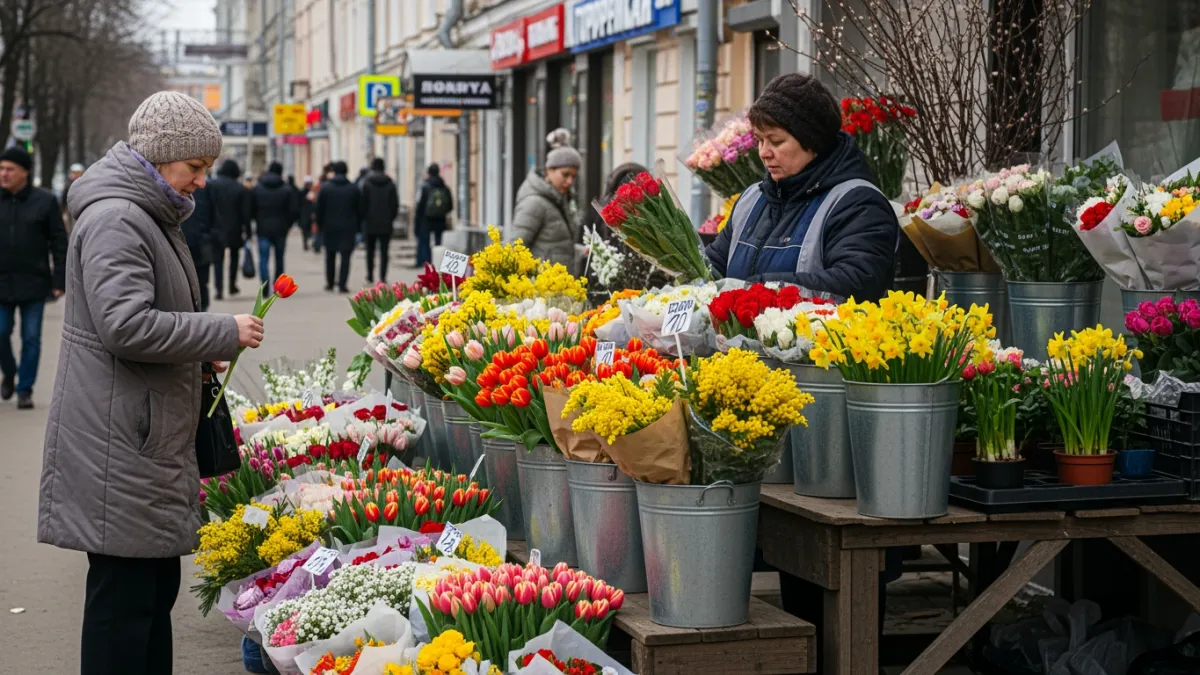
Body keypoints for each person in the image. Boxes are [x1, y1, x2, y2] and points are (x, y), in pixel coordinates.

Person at [38, 91, 265, 675]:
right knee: (124, 602)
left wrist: (198, 356)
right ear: (162, 158)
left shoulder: (144, 212)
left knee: (149, 594)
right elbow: (126, 325)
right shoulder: (119, 217)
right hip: (122, 439)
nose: (201, 182)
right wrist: (220, 333)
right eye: (195, 168)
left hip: (137, 432)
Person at [704, 73, 897, 301]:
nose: (764, 152)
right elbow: (712, 268)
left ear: (812, 142)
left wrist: (757, 291)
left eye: (776, 141)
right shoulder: (751, 199)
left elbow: (856, 282)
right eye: (759, 140)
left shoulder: (858, 203)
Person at [0, 146, 67, 410]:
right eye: (1, 169)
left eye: (10, 169)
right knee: (1, 332)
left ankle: (25, 388)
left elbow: (59, 243)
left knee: (31, 338)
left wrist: (59, 281)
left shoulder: (45, 201)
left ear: (25, 172)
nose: (4, 174)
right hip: (1, 282)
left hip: (35, 282)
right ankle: (10, 371)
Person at [511, 128, 582, 274]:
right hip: (541, 290)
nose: (569, 181)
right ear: (549, 170)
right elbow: (515, 248)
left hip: (557, 288)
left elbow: (554, 244)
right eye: (565, 174)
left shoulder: (560, 200)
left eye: (573, 177)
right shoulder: (534, 204)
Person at [314, 160, 362, 292]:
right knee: (346, 256)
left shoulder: (325, 187)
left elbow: (319, 209)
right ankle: (342, 284)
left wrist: (319, 225)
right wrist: (357, 227)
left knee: (330, 255)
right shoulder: (353, 188)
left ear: (333, 172)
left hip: (329, 227)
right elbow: (360, 210)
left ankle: (330, 282)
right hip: (348, 227)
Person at [208, 158, 251, 299]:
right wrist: (248, 232)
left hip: (215, 228)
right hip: (235, 228)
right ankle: (232, 285)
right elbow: (246, 214)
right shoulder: (240, 188)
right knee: (234, 257)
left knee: (217, 259)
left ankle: (218, 289)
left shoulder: (211, 185)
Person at [250, 161, 298, 286]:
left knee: (263, 259)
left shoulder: (258, 188)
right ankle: (278, 286)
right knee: (279, 258)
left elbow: (251, 209)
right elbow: (294, 210)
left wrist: (256, 220)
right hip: (281, 228)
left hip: (263, 229)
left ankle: (264, 286)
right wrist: (287, 224)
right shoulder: (287, 189)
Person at [360, 157, 399, 283]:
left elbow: (363, 204)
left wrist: (364, 218)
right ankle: (382, 276)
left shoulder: (366, 183)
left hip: (370, 223)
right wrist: (390, 218)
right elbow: (394, 205)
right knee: (384, 251)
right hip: (385, 223)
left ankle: (370, 274)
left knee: (369, 251)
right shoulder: (390, 184)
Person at [180, 178, 215, 311]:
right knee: (201, 279)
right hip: (201, 239)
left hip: (192, 239)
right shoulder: (206, 187)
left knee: (194, 279)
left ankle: (200, 308)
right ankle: (202, 308)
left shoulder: (177, 188)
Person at [413, 163, 452, 267]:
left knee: (425, 241)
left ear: (429, 173)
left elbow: (420, 204)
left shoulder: (425, 186)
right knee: (438, 241)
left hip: (426, 219)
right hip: (440, 219)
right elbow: (450, 205)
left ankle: (427, 263)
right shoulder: (444, 186)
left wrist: (419, 218)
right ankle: (438, 262)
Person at [61, 162, 85, 232]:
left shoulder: (85, 185)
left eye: (78, 173)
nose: (76, 175)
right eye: (74, 173)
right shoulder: (68, 186)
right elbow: (63, 200)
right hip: (70, 211)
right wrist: (63, 212)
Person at [294, 175, 313, 250]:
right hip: (304, 213)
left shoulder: (311, 192)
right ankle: (305, 243)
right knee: (305, 230)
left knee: (308, 230)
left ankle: (307, 242)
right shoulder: (301, 192)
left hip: (308, 213)